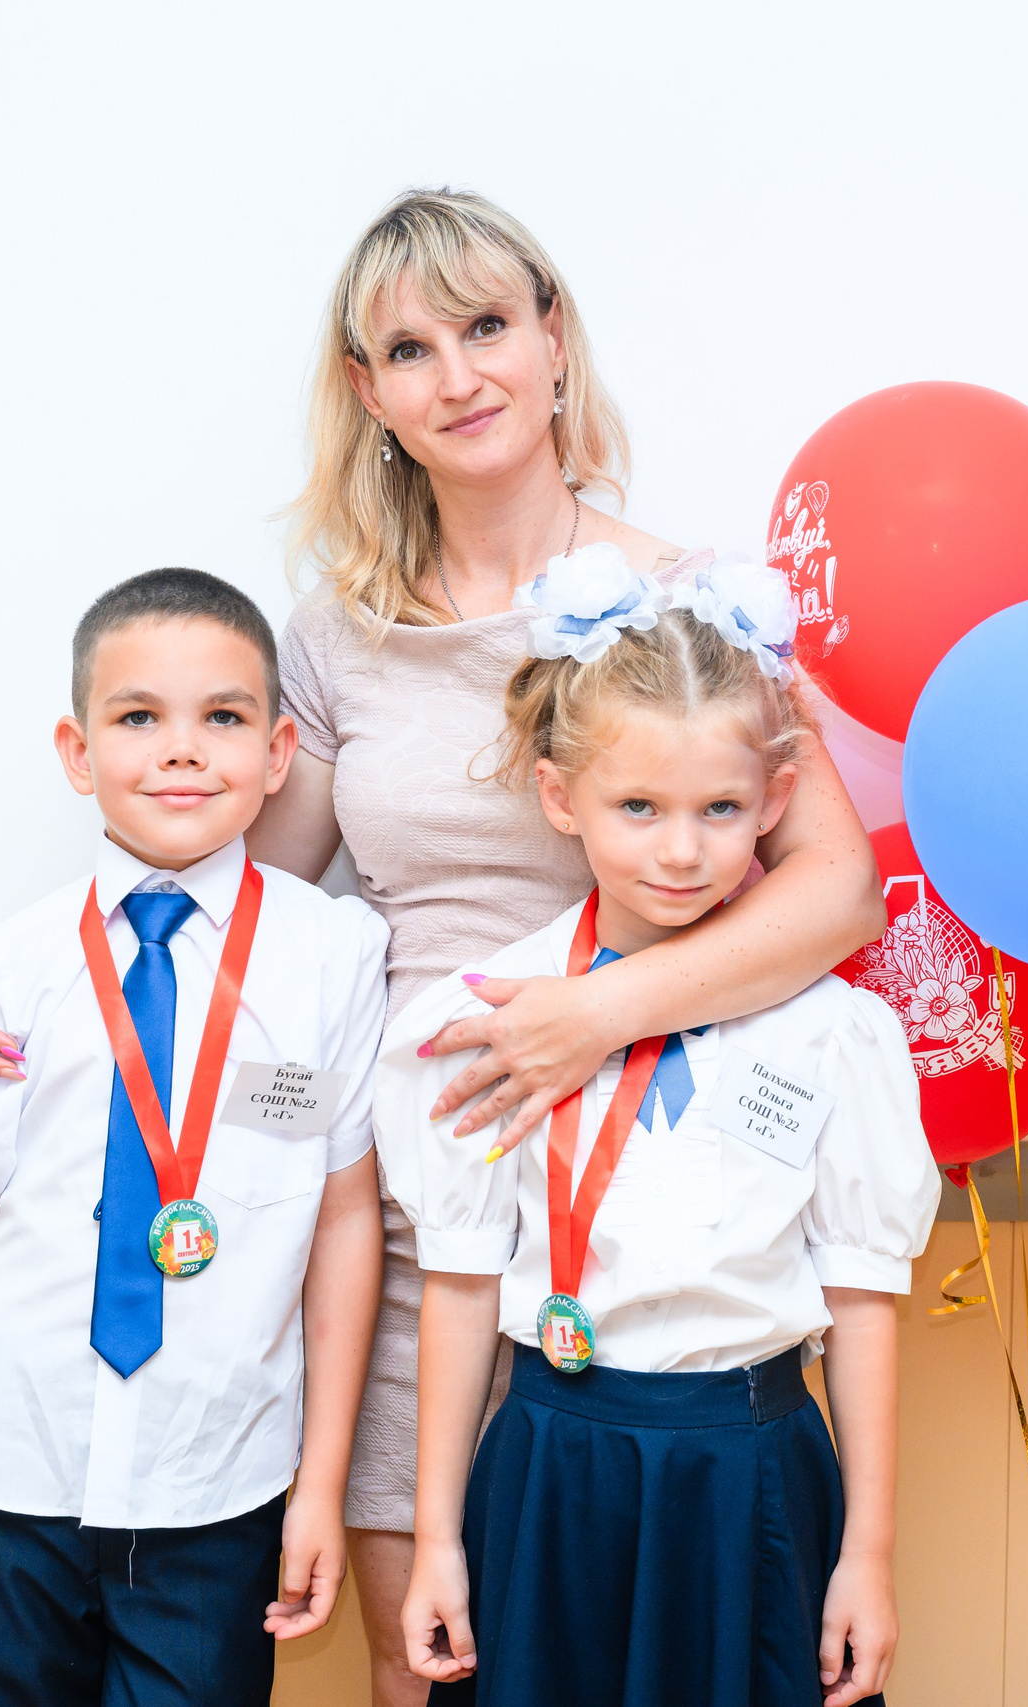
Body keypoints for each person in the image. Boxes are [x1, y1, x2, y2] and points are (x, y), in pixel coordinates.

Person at [0, 189, 888, 1702]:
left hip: (644, 1232)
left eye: (489, 325)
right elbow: (237, 906)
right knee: (422, 1666)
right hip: (425, 1228)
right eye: (410, 348)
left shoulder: (683, 602)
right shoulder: (337, 634)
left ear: (554, 336)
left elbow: (834, 891)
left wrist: (595, 1015)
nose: (460, 373)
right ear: (371, 394)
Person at [378, 553, 937, 1707]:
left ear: (774, 805)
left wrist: (866, 1557)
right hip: (548, 1469)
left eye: (719, 811)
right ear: (558, 797)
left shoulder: (835, 1036)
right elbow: (462, 1286)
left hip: (755, 1473)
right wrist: (437, 1536)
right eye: (638, 808)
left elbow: (865, 1301)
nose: (680, 851)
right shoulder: (489, 1020)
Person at [0, 569, 387, 1705]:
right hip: (8, 1474)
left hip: (219, 1483)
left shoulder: (332, 959)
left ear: (278, 750)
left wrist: (319, 1486)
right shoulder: (3, 969)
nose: (182, 751)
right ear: (76, 751)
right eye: (138, 717)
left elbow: (346, 1222)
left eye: (223, 718)